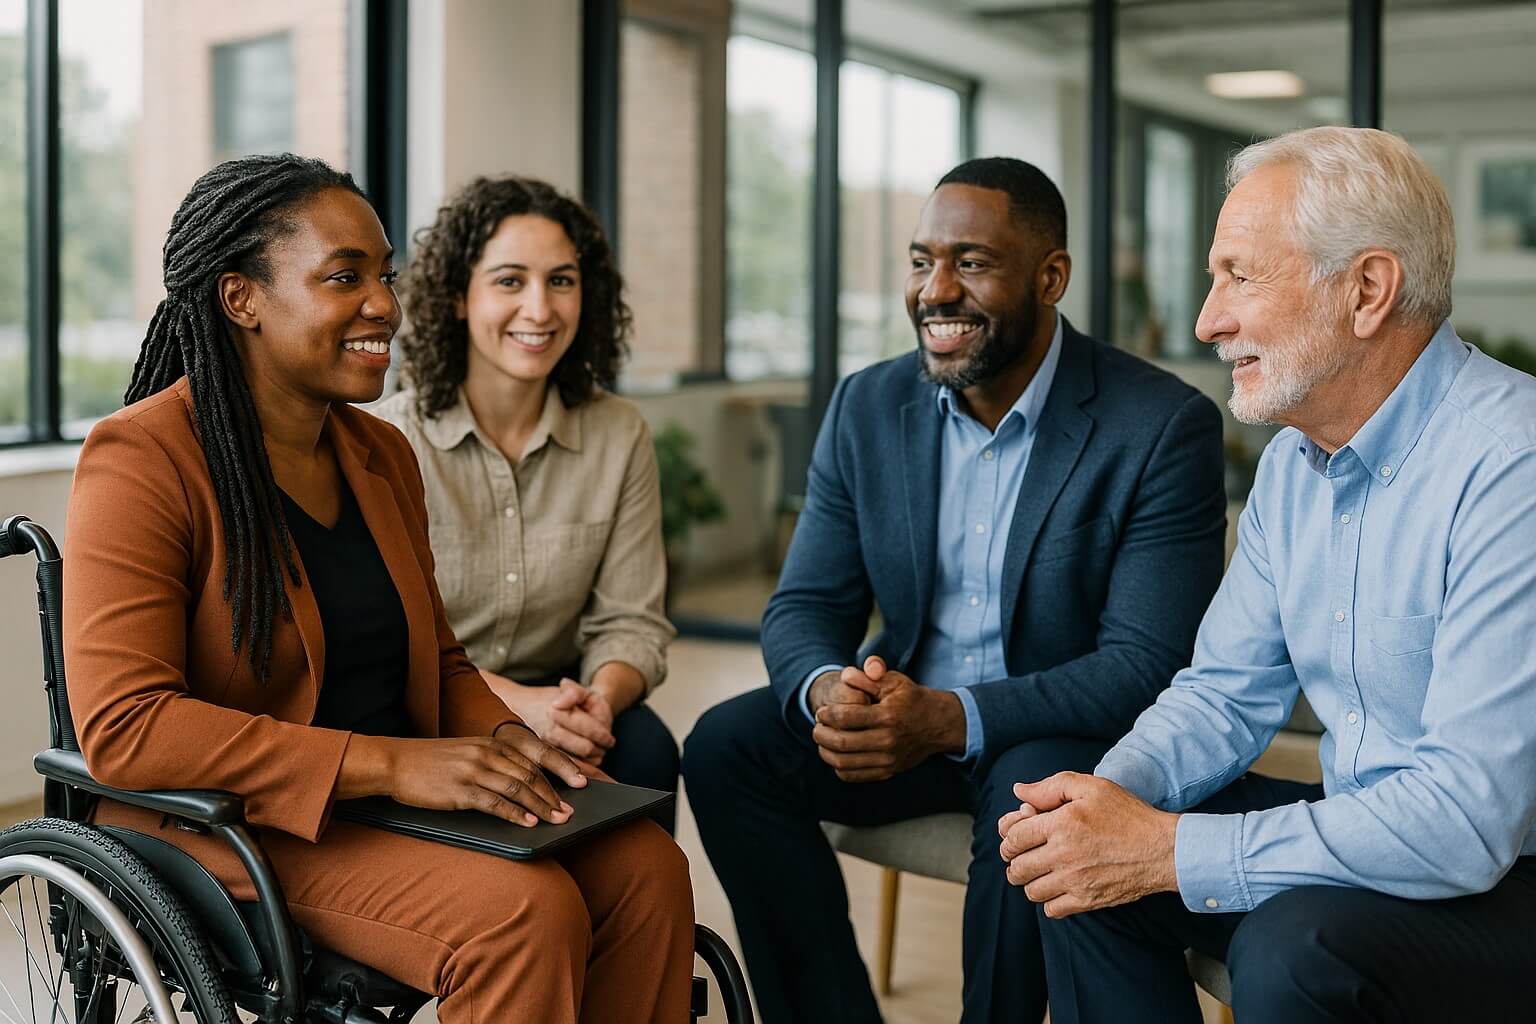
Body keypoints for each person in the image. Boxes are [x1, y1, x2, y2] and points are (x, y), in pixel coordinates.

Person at [62, 154, 694, 1023]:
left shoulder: (378, 454)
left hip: (378, 806)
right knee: (522, 914)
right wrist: (395, 762)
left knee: (646, 870)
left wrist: (517, 748)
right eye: (344, 277)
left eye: (385, 275)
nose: (384, 305)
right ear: (241, 299)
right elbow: (126, 728)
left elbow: (439, 659)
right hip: (229, 826)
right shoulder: (140, 459)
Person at [999, 127, 1536, 1023]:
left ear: (1367, 290)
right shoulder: (1295, 465)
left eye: (1240, 276)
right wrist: (1108, 806)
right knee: (1070, 860)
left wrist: (1169, 852)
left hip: (1507, 866)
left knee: (1298, 950)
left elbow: (1467, 821)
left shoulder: (1513, 463)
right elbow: (1221, 696)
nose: (1208, 320)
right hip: (1379, 823)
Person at [682, 157, 1228, 1023]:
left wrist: (950, 716)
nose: (936, 290)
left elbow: (1148, 663)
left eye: (971, 263)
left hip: (1052, 735)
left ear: (1051, 278)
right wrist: (833, 693)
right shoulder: (869, 404)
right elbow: (803, 606)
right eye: (920, 260)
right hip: (903, 729)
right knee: (725, 746)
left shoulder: (1159, 425)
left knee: (1032, 798)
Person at [375, 176, 679, 827]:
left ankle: (638, 929)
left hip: (567, 691)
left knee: (648, 749)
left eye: (561, 281)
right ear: (459, 297)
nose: (540, 309)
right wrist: (515, 706)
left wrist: (597, 700)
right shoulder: (390, 438)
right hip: (428, 711)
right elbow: (387, 645)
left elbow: (632, 620)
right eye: (510, 281)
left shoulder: (618, 434)